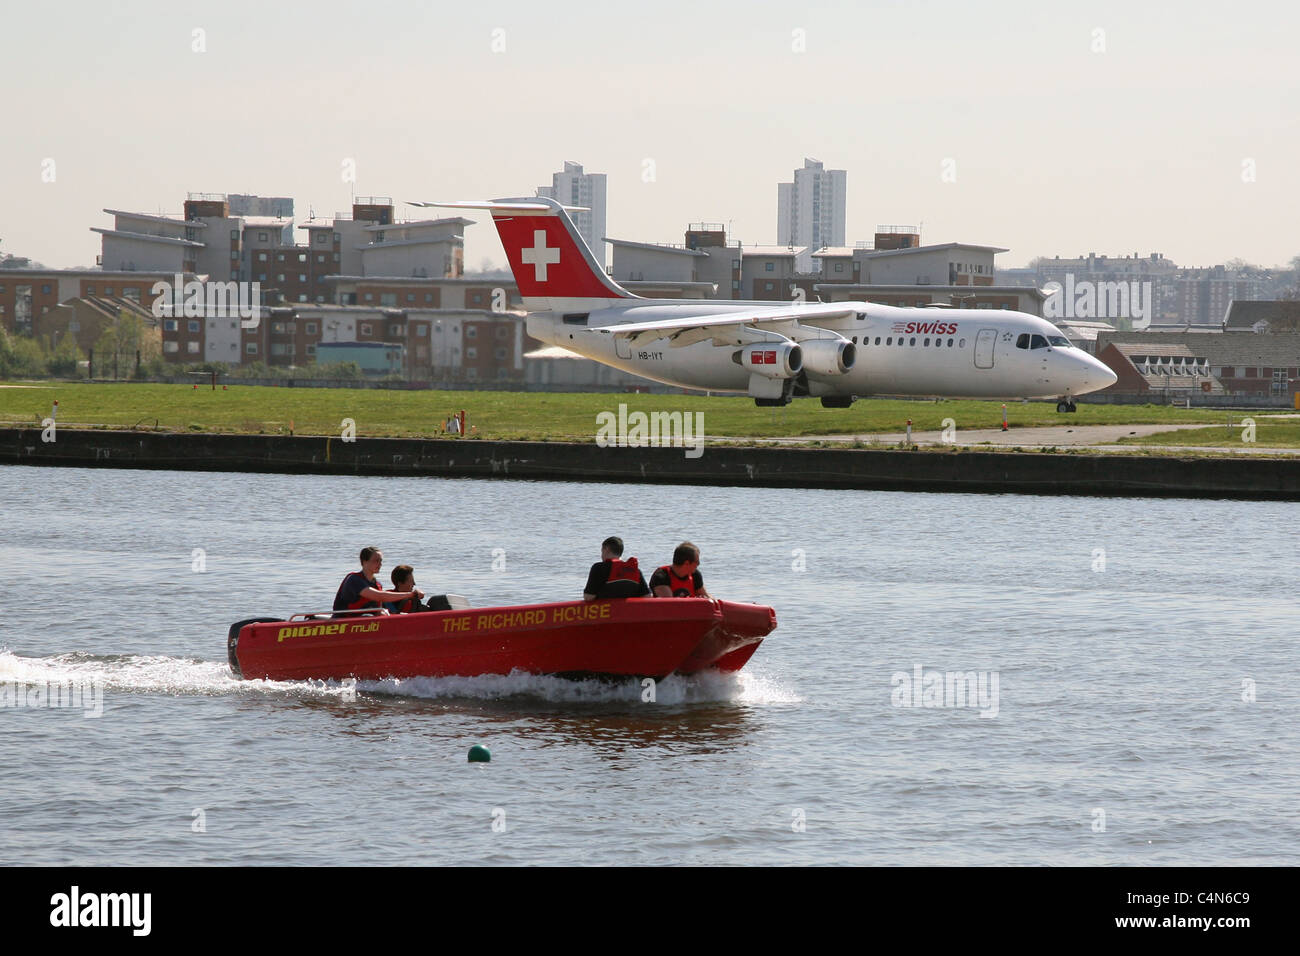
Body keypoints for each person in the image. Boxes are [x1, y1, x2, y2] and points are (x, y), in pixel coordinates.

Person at [333, 547, 421, 616]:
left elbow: (378, 608)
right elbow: (379, 596)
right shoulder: (354, 580)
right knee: (368, 617)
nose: (380, 564)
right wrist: (411, 594)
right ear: (364, 562)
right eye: (376, 561)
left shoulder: (377, 585)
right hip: (346, 621)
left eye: (381, 561)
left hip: (366, 622)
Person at [583, 536, 649, 600]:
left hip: (607, 610)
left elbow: (588, 597)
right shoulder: (636, 570)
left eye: (602, 551)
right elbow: (647, 596)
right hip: (628, 610)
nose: (601, 555)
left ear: (606, 549)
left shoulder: (598, 568)